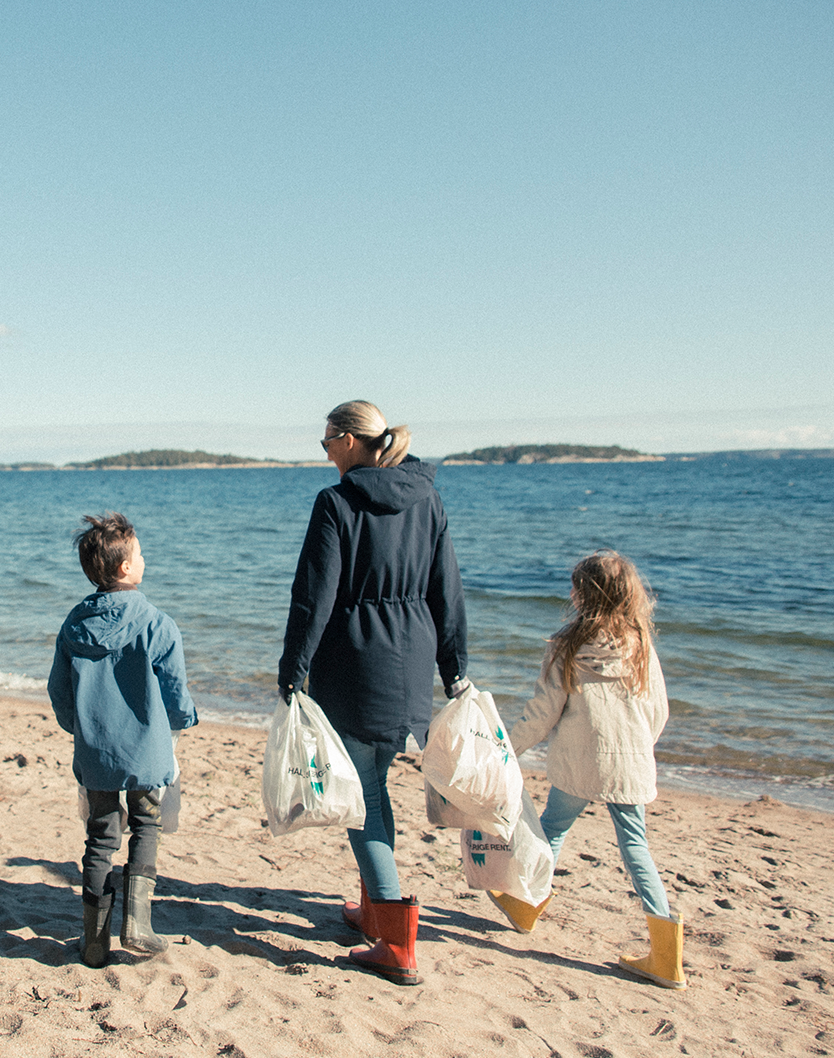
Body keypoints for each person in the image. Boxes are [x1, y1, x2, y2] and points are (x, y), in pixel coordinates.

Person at [278, 400, 468, 986]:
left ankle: (396, 942)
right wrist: (454, 669)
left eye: (327, 442)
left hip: (356, 663)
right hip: (411, 663)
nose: (325, 453)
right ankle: (370, 910)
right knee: (375, 785)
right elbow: (447, 589)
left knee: (363, 798)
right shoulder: (427, 498)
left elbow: (314, 595)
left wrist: (292, 669)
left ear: (350, 441)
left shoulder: (336, 502)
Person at [491, 550, 683, 989]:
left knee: (552, 829)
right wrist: (639, 749)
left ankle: (527, 905)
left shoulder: (568, 645)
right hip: (629, 763)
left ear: (583, 595)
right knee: (635, 846)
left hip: (580, 760)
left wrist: (508, 750)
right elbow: (658, 710)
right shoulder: (640, 644)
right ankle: (667, 955)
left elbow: (543, 713)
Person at [48, 512, 196, 969]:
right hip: (147, 751)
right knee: (146, 825)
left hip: (97, 753)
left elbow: (59, 691)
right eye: (140, 554)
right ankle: (138, 924)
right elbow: (175, 690)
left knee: (100, 838)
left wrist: (82, 730)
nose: (144, 559)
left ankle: (94, 941)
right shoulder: (157, 623)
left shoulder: (74, 625)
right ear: (126, 567)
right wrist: (182, 721)